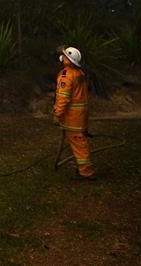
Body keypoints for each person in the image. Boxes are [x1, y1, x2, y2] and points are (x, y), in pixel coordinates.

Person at [53, 46, 96, 181]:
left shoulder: (67, 76)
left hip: (73, 118)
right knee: (80, 142)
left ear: (68, 60)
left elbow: (63, 98)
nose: (63, 57)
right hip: (81, 116)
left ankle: (86, 172)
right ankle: (84, 168)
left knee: (79, 144)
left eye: (65, 56)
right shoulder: (80, 73)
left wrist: (57, 114)